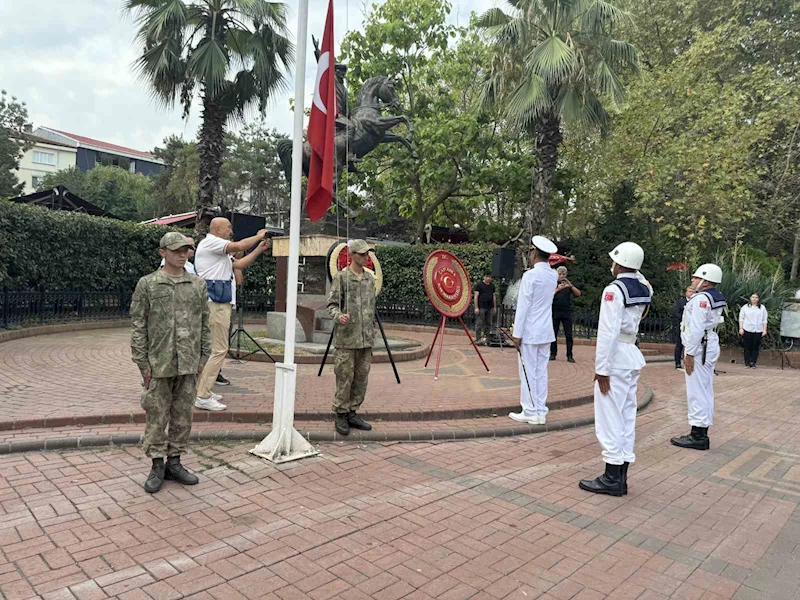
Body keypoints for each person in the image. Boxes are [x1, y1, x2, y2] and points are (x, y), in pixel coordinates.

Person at [130, 232, 211, 493]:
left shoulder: (197, 284)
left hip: (188, 362)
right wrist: (143, 363)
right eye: (176, 250)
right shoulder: (148, 284)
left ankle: (174, 463)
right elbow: (138, 325)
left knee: (182, 416)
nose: (182, 254)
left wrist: (203, 357)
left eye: (186, 250)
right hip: (159, 362)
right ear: (162, 252)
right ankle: (156, 465)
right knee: (156, 415)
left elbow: (204, 324)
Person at [579, 242, 651, 497]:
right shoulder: (641, 287)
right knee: (626, 417)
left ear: (619, 264)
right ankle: (620, 477)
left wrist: (602, 368)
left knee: (609, 417)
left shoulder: (614, 290)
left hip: (616, 358)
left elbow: (607, 332)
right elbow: (642, 279)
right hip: (630, 355)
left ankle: (611, 477)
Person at [194, 218, 269, 411]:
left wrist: (259, 249)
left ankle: (204, 390)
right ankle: (202, 395)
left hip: (219, 303)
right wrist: (258, 236)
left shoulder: (218, 249)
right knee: (219, 350)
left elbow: (240, 264)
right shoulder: (212, 242)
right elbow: (239, 245)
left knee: (216, 349)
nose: (231, 230)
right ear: (217, 229)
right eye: (228, 227)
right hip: (215, 304)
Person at [671, 264, 726, 451]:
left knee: (697, 391)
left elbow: (696, 328)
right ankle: (700, 432)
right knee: (704, 389)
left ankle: (698, 436)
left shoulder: (701, 299)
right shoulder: (712, 296)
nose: (692, 280)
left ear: (705, 281)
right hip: (708, 343)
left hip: (700, 347)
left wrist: (690, 354)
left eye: (696, 277)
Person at [326, 239, 376, 436]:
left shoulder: (370, 279)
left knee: (361, 377)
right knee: (344, 376)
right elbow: (331, 305)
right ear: (352, 255)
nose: (366, 257)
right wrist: (339, 316)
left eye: (367, 254)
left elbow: (371, 307)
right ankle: (341, 413)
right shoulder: (342, 278)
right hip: (347, 338)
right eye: (362, 254)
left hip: (366, 338)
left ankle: (353, 412)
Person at [510, 236, 559, 425]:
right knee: (541, 371)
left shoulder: (530, 276)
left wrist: (517, 333)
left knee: (527, 371)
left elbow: (523, 306)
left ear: (534, 253)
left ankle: (529, 410)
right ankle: (540, 409)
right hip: (546, 330)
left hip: (530, 330)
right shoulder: (553, 275)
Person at [550, 266, 581, 362]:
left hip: (566, 312)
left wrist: (570, 285)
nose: (562, 276)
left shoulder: (568, 284)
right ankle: (553, 353)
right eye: (560, 274)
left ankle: (569, 355)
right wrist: (558, 289)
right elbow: (549, 296)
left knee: (568, 334)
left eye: (563, 274)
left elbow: (578, 293)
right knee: (553, 333)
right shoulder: (553, 284)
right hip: (555, 311)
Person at [739, 294, 768, 368]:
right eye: (753, 297)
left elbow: (764, 319)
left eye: (756, 297)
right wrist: (741, 328)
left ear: (758, 299)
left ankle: (753, 362)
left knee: (755, 347)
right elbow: (741, 318)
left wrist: (764, 329)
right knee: (747, 346)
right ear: (750, 298)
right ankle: (747, 362)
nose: (754, 299)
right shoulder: (745, 307)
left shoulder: (762, 308)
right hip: (748, 329)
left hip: (758, 330)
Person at [673, 287, 694, 370]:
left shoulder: (695, 302)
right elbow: (676, 312)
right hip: (682, 326)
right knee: (679, 344)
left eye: (693, 291)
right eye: (690, 291)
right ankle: (678, 362)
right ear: (686, 292)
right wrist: (685, 319)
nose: (691, 293)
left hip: (692, 327)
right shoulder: (681, 302)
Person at [473, 273, 496, 344]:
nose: (488, 278)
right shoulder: (479, 285)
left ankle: (487, 339)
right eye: (487, 276)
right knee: (479, 323)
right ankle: (478, 339)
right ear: (484, 277)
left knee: (488, 323)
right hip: (481, 307)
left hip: (490, 307)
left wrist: (494, 307)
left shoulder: (492, 286)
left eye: (490, 277)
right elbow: (476, 296)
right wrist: (476, 307)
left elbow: (494, 296)